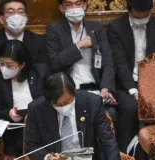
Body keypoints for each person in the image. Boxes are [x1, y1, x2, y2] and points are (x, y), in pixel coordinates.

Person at [25, 72, 127, 160]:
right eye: (57, 104)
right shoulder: (37, 109)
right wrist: (48, 158)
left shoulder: (92, 102)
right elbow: (31, 145)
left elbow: (108, 141)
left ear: (75, 93)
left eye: (67, 102)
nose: (63, 107)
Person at [106, 0, 155, 151]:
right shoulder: (116, 27)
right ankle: (127, 156)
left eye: (145, 16)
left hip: (154, 81)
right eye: (137, 17)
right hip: (126, 84)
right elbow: (119, 64)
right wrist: (134, 91)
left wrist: (149, 88)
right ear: (128, 10)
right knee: (130, 107)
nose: (141, 20)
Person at [46, 0, 117, 131]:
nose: (74, 8)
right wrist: (78, 46)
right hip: (71, 90)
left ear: (85, 6)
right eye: (69, 4)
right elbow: (54, 63)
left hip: (96, 89)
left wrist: (106, 88)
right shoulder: (54, 29)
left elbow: (108, 62)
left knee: (111, 114)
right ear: (61, 8)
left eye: (78, 3)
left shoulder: (96, 28)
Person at [0, 40, 48, 157]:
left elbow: (49, 99)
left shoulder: (40, 72)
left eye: (9, 65)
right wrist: (9, 114)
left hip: (41, 127)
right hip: (14, 131)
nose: (4, 68)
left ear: (22, 64)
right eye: (1, 63)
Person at [0, 0, 48, 80]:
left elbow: (42, 71)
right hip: (2, 87)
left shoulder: (39, 41)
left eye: (21, 12)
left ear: (26, 18)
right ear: (2, 19)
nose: (16, 16)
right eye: (11, 12)